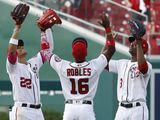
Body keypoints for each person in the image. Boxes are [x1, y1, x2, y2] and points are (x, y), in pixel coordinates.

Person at [47, 13, 115, 120]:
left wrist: (45, 30)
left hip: (70, 108)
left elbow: (47, 52)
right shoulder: (94, 66)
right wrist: (108, 30)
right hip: (86, 108)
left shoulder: (63, 66)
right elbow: (111, 50)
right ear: (86, 52)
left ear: (72, 53)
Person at [6, 4, 53, 120]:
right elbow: (11, 51)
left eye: (21, 45)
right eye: (18, 46)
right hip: (22, 110)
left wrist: (45, 30)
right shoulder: (13, 67)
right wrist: (17, 28)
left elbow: (48, 50)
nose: (20, 47)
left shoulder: (34, 63)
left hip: (38, 111)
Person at [106, 24, 152, 119]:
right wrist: (109, 42)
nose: (131, 43)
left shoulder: (147, 65)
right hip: (121, 109)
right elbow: (103, 62)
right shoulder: (121, 63)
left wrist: (139, 42)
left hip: (138, 109)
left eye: (134, 42)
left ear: (141, 47)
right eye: (131, 42)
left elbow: (142, 68)